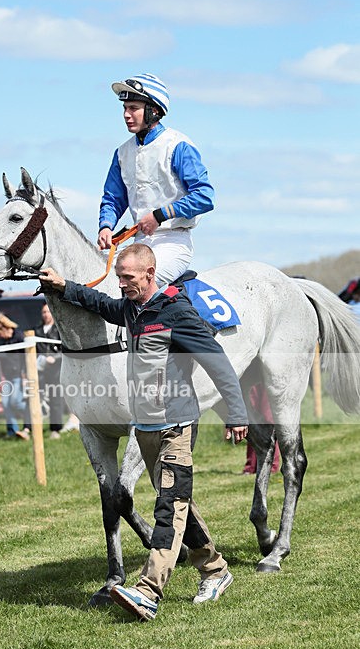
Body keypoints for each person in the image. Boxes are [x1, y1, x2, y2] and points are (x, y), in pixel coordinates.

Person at [39, 243, 248, 622]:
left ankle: (148, 590)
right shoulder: (132, 309)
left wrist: (236, 413)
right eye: (119, 277)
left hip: (174, 427)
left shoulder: (177, 313)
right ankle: (216, 570)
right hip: (145, 429)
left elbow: (217, 363)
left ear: (150, 274)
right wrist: (62, 285)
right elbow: (98, 302)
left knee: (168, 509)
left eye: (128, 277)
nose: (121, 284)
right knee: (181, 504)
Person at [98, 73, 214, 286]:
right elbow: (113, 199)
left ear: (154, 111)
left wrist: (160, 215)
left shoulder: (178, 145)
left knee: (137, 283)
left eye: (133, 108)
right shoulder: (122, 153)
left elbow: (204, 197)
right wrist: (105, 226)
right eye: (125, 108)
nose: (126, 114)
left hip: (173, 242)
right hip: (138, 243)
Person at [0, 313, 31, 440]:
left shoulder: (19, 337)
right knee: (5, 403)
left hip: (18, 376)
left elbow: (26, 357)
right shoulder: (6, 341)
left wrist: (25, 375)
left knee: (16, 402)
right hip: (7, 377)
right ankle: (13, 431)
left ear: (3, 329)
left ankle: (32, 413)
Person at [35, 304, 63, 439]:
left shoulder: (58, 330)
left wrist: (55, 358)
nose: (46, 314)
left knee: (55, 399)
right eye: (43, 312)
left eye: (48, 311)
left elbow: (64, 351)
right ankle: (30, 428)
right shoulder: (37, 330)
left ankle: (55, 429)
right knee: (34, 398)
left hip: (55, 370)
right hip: (39, 369)